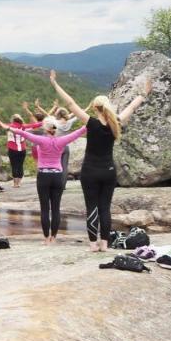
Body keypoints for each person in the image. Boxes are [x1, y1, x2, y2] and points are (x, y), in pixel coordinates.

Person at [49, 71, 152, 252]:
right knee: (105, 208)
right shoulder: (115, 123)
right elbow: (132, 108)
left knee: (92, 208)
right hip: (109, 172)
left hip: (90, 172)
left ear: (95, 108)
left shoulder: (91, 123)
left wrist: (55, 84)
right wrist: (144, 93)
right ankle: (104, 244)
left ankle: (92, 245)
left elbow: (70, 103)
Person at [0, 116, 85, 245]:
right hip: (58, 176)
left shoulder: (41, 140)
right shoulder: (62, 140)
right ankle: (54, 238)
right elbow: (77, 133)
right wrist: (89, 123)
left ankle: (46, 239)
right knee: (55, 208)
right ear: (55, 128)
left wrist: (6, 127)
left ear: (46, 128)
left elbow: (22, 132)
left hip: (43, 176)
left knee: (44, 208)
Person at [0, 114, 40, 188]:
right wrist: (44, 122)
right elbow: (35, 125)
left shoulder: (9, 126)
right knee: (20, 165)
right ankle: (19, 182)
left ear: (12, 119)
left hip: (12, 149)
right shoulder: (24, 126)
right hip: (22, 149)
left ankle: (15, 184)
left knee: (14, 165)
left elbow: (1, 125)